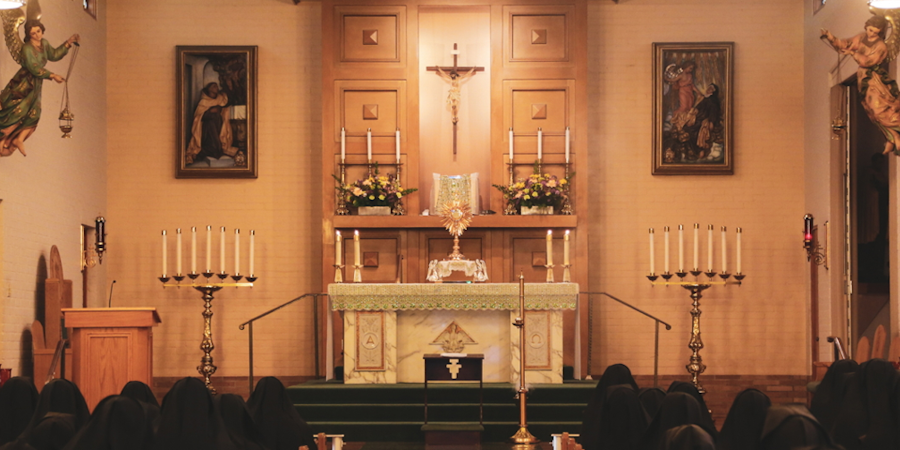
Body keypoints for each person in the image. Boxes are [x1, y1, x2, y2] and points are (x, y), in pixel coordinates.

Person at [822, 15, 900, 156]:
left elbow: (868, 62)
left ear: (880, 32)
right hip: (863, 79)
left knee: (879, 110)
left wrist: (853, 53)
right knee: (871, 113)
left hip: (875, 80)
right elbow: (844, 44)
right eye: (870, 30)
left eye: (875, 32)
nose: (871, 34)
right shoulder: (862, 37)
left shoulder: (881, 46)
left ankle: (896, 136)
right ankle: (892, 138)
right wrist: (830, 37)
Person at [0, 20, 78, 157]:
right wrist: (52, 75)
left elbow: (54, 55)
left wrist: (68, 43)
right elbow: (33, 67)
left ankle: (19, 139)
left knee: (35, 113)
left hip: (36, 85)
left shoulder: (44, 43)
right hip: (23, 84)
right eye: (33, 33)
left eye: (38, 31)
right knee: (17, 111)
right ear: (29, 35)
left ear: (42, 30)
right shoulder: (27, 48)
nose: (36, 35)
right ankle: (3, 138)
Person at [185, 81, 234, 165]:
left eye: (217, 86)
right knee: (215, 145)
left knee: (217, 145)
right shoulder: (203, 102)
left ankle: (211, 150)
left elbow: (227, 103)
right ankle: (203, 153)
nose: (217, 88)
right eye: (214, 86)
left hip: (219, 127)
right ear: (209, 89)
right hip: (207, 129)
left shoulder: (220, 99)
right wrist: (209, 111)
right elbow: (198, 117)